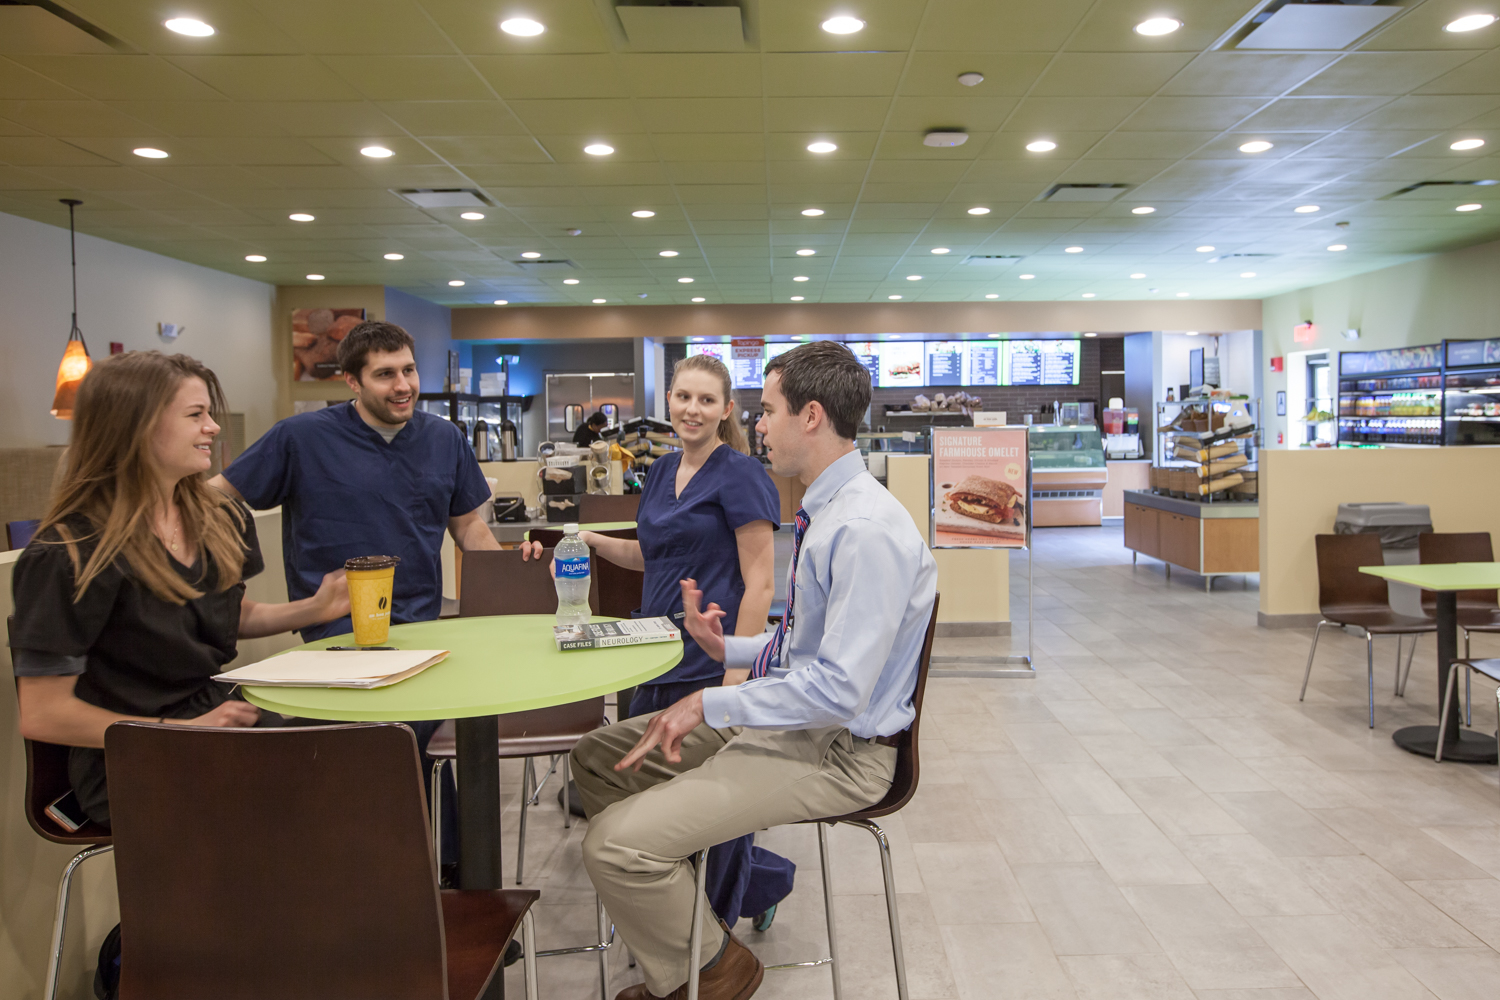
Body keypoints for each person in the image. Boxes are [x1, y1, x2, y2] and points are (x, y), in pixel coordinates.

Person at [570, 342, 937, 1000]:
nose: (757, 425)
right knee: (598, 758)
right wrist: (731, 651)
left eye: (766, 412)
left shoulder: (863, 531)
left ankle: (712, 967)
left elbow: (838, 690)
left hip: (839, 752)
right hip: (802, 726)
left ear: (812, 416)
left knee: (611, 845)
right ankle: (686, 927)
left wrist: (711, 703)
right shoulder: (828, 514)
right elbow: (808, 647)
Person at [11, 351, 351, 827]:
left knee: (357, 756)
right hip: (133, 751)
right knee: (309, 798)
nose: (213, 428)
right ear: (135, 428)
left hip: (213, 718)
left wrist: (313, 610)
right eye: (196, 415)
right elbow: (44, 715)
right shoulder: (66, 554)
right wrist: (182, 731)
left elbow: (224, 616)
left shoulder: (220, 519)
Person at [572, 352, 792, 931]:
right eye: (682, 397)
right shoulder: (663, 472)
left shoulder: (741, 473)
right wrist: (590, 539)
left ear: (725, 411)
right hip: (654, 651)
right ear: (668, 400)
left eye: (706, 400)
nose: (691, 409)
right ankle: (745, 889)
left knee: (710, 811)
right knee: (647, 798)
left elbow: (761, 580)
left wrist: (734, 679)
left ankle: (709, 940)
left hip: (709, 663)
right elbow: (654, 555)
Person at [209, 320, 498, 640]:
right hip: (335, 629)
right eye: (385, 374)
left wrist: (513, 581)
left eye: (409, 370)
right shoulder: (300, 437)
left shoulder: (444, 438)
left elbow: (468, 525)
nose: (403, 386)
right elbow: (213, 495)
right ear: (352, 381)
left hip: (420, 625)